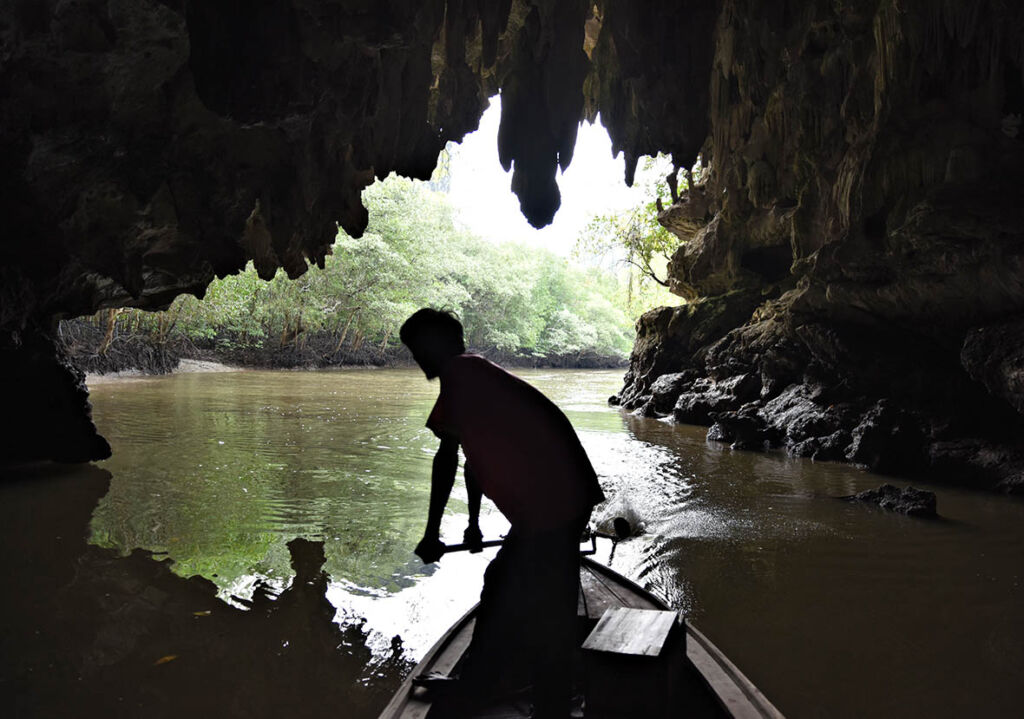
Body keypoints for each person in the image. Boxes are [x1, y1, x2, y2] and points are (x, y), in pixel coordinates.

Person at [400, 308, 605, 719]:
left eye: (416, 349)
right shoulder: (474, 377)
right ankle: (509, 691)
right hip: (563, 497)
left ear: (434, 346)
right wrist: (473, 524)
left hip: (554, 502)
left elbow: (446, 459)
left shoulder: (460, 375)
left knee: (523, 598)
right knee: (529, 592)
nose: (416, 359)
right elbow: (472, 461)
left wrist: (431, 533)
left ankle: (518, 699)